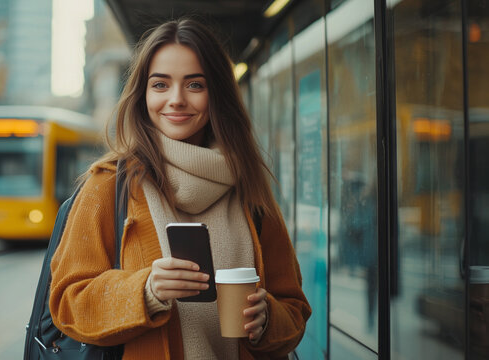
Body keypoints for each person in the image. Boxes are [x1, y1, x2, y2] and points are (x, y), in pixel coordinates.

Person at [48, 18, 311, 359]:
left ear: (217, 94)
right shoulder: (109, 185)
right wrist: (146, 290)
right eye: (160, 85)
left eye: (195, 85)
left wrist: (267, 319)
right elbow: (67, 303)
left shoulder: (250, 190)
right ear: (142, 95)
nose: (176, 99)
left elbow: (294, 310)